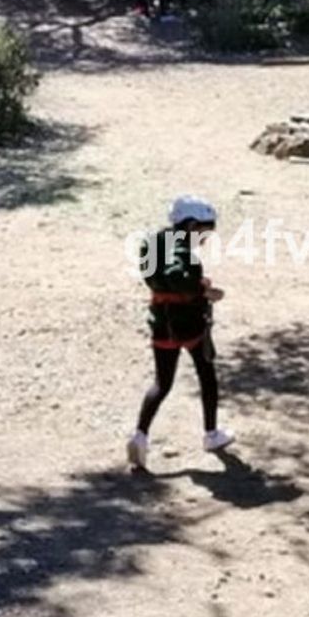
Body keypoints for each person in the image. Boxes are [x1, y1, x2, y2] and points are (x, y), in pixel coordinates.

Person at [127, 194, 235, 467]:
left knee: (162, 383)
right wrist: (204, 290)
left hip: (160, 323)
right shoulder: (180, 251)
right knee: (206, 374)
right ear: (190, 227)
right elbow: (178, 278)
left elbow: (158, 278)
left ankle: (140, 436)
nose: (206, 238)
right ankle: (211, 434)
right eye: (204, 232)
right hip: (188, 324)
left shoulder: (152, 244)